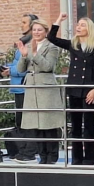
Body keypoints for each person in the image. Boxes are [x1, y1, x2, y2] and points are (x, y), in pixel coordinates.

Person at [47, 13, 94, 165]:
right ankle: (76, 159)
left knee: (88, 125)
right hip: (74, 88)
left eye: (82, 25)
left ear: (89, 29)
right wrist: (58, 20)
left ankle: (89, 159)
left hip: (90, 90)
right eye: (78, 25)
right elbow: (51, 38)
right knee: (75, 125)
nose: (79, 27)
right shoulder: (72, 44)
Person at [15, 19, 63, 165]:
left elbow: (48, 67)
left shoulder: (52, 47)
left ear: (45, 32)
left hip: (46, 89)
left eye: (39, 30)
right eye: (34, 30)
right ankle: (42, 156)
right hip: (32, 89)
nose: (36, 32)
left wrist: (35, 54)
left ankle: (52, 156)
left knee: (48, 124)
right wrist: (24, 56)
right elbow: (20, 70)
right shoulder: (29, 46)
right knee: (36, 125)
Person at [6, 13, 38, 162]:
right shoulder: (22, 43)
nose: (22, 25)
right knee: (20, 122)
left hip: (25, 88)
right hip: (17, 88)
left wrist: (10, 70)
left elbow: (24, 68)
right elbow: (16, 64)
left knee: (28, 122)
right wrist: (6, 68)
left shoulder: (32, 44)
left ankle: (29, 152)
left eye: (24, 22)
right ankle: (22, 150)